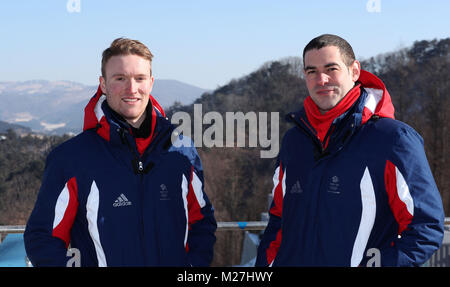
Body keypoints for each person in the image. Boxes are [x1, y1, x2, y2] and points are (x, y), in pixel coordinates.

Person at [24, 38, 217, 267]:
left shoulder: (182, 151)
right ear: (103, 85)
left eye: (139, 78)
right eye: (120, 78)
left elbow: (201, 222)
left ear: (151, 83)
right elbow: (44, 239)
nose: (131, 88)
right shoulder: (71, 159)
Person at [256, 34, 445, 267]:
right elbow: (278, 219)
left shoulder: (393, 140)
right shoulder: (294, 141)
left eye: (331, 68)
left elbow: (424, 228)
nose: (321, 79)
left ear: (354, 71)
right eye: (311, 71)